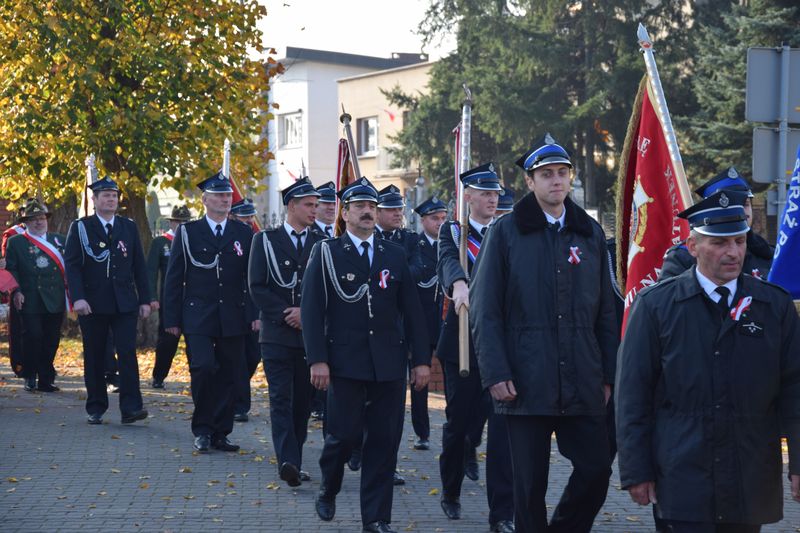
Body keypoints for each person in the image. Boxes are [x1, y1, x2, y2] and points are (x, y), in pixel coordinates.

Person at [616, 189, 800, 532]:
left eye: (739, 241)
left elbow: (795, 389)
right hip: (682, 475)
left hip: (749, 475)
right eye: (719, 243)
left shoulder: (773, 306)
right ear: (693, 247)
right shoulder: (657, 306)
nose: (733, 252)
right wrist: (636, 471)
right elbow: (633, 395)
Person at [470, 135, 619, 533]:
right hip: (524, 381)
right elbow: (485, 310)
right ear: (530, 181)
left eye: (563, 173)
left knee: (596, 469)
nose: (557, 181)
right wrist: (495, 371)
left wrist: (608, 374)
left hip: (582, 379)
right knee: (528, 488)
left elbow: (607, 310)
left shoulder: (588, 232)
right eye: (547, 174)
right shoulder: (505, 233)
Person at [301, 177, 430, 533]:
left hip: (388, 363)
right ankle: (329, 486)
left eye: (372, 206)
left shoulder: (394, 254)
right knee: (342, 437)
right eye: (359, 206)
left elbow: (413, 311)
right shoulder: (327, 252)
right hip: (344, 363)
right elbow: (312, 310)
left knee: (384, 442)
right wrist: (317, 359)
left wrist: (420, 359)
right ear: (345, 212)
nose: (368, 211)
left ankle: (376, 518)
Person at [437, 162, 514, 533]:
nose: (492, 199)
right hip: (462, 342)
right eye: (484, 193)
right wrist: (458, 283)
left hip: (500, 344)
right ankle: (450, 491)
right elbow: (448, 262)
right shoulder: (454, 231)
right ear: (468, 196)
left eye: (495, 193)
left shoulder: (506, 231)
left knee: (502, 427)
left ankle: (502, 513)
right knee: (458, 423)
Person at [162, 172, 258, 453]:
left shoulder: (242, 232)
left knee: (230, 374)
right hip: (198, 314)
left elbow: (250, 279)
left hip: (233, 314)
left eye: (227, 196)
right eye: (219, 195)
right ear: (205, 200)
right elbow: (174, 276)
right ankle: (202, 428)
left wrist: (254, 313)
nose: (225, 200)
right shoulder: (189, 232)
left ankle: (220, 432)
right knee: (203, 368)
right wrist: (172, 318)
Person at [248, 177, 322, 487]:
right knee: (281, 399)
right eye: (309, 205)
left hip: (309, 336)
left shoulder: (323, 241)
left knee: (302, 404)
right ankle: (287, 461)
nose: (315, 210)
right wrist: (285, 313)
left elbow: (327, 288)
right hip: (277, 335)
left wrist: (306, 314)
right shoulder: (264, 240)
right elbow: (257, 286)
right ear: (291, 206)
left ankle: (295, 457)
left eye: (317, 205)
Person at [64, 176, 152, 425]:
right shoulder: (81, 227)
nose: (111, 199)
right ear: (94, 199)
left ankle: (131, 408)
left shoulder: (128, 226)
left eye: (114, 195)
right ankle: (96, 406)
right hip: (92, 303)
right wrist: (78, 298)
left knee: (127, 354)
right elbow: (73, 266)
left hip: (124, 302)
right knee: (94, 355)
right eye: (106, 195)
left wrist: (145, 299)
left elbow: (139, 267)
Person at [660, 167, 773, 280]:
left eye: (746, 204)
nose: (742, 211)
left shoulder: (767, 252)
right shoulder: (683, 256)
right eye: (733, 205)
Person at [5, 200, 67, 392]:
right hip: (29, 297)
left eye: (41, 218)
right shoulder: (16, 242)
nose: (38, 222)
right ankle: (30, 374)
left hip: (55, 297)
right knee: (33, 336)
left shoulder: (59, 240)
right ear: (26, 222)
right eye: (33, 219)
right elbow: (11, 269)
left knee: (51, 339)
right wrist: (16, 291)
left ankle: (46, 378)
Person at [407, 195, 448, 451]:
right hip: (421, 322)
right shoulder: (415, 245)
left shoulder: (451, 244)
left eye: (444, 218)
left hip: (446, 323)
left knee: (453, 375)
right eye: (435, 219)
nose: (440, 223)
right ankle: (422, 431)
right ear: (423, 221)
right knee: (420, 379)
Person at [148, 204, 192, 389]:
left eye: (185, 222)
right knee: (167, 341)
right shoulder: (161, 243)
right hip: (169, 299)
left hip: (191, 299)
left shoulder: (194, 240)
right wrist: (151, 297)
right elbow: (150, 271)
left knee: (194, 340)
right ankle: (159, 376)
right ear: (171, 222)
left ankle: (197, 376)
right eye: (178, 222)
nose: (181, 225)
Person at [229, 198, 261, 422]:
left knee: (252, 356)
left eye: (251, 216)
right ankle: (239, 404)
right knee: (238, 359)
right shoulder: (229, 238)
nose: (250, 221)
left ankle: (236, 390)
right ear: (232, 216)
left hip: (254, 306)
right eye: (244, 216)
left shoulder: (257, 239)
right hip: (233, 308)